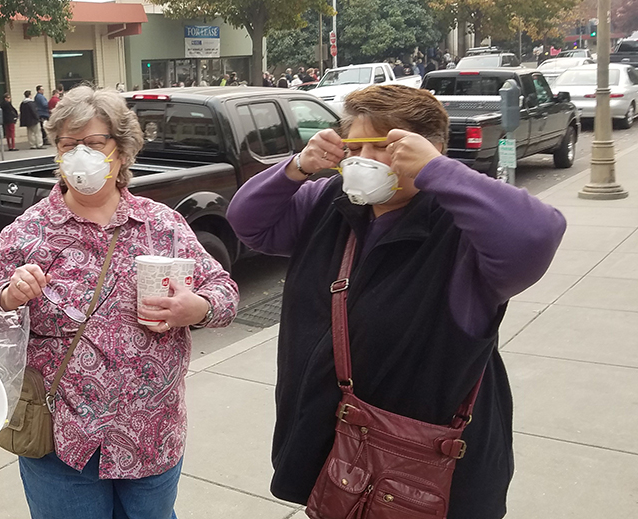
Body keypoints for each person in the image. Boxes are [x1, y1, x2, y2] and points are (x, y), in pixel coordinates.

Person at [225, 84, 566, 519]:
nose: (364, 159)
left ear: (428, 151)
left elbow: (536, 234)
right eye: (354, 147)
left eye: (385, 147)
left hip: (423, 475)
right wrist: (297, 167)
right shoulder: (330, 201)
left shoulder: (462, 232)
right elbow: (249, 223)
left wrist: (439, 171)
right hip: (334, 453)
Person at [0, 85, 239, 518]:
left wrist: (197, 308)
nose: (80, 156)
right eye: (68, 145)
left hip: (151, 433)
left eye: (93, 144)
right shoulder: (28, 232)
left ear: (122, 150)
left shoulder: (161, 225)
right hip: (62, 440)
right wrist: (8, 297)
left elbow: (224, 291)